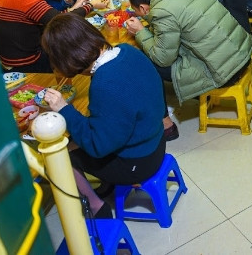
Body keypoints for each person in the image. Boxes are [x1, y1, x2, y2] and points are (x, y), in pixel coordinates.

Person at [40, 13, 166, 219]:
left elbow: (98, 147)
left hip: (139, 161)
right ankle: (107, 185)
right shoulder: (127, 51)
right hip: (156, 140)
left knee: (62, 154)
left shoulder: (105, 83)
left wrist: (64, 109)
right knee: (79, 139)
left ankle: (96, 207)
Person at [125, 0, 252, 112]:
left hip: (226, 71)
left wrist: (140, 31)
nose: (137, 14)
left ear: (143, 8)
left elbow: (163, 59)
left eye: (135, 11)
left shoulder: (162, 12)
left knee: (144, 60)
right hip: (241, 53)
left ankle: (163, 116)